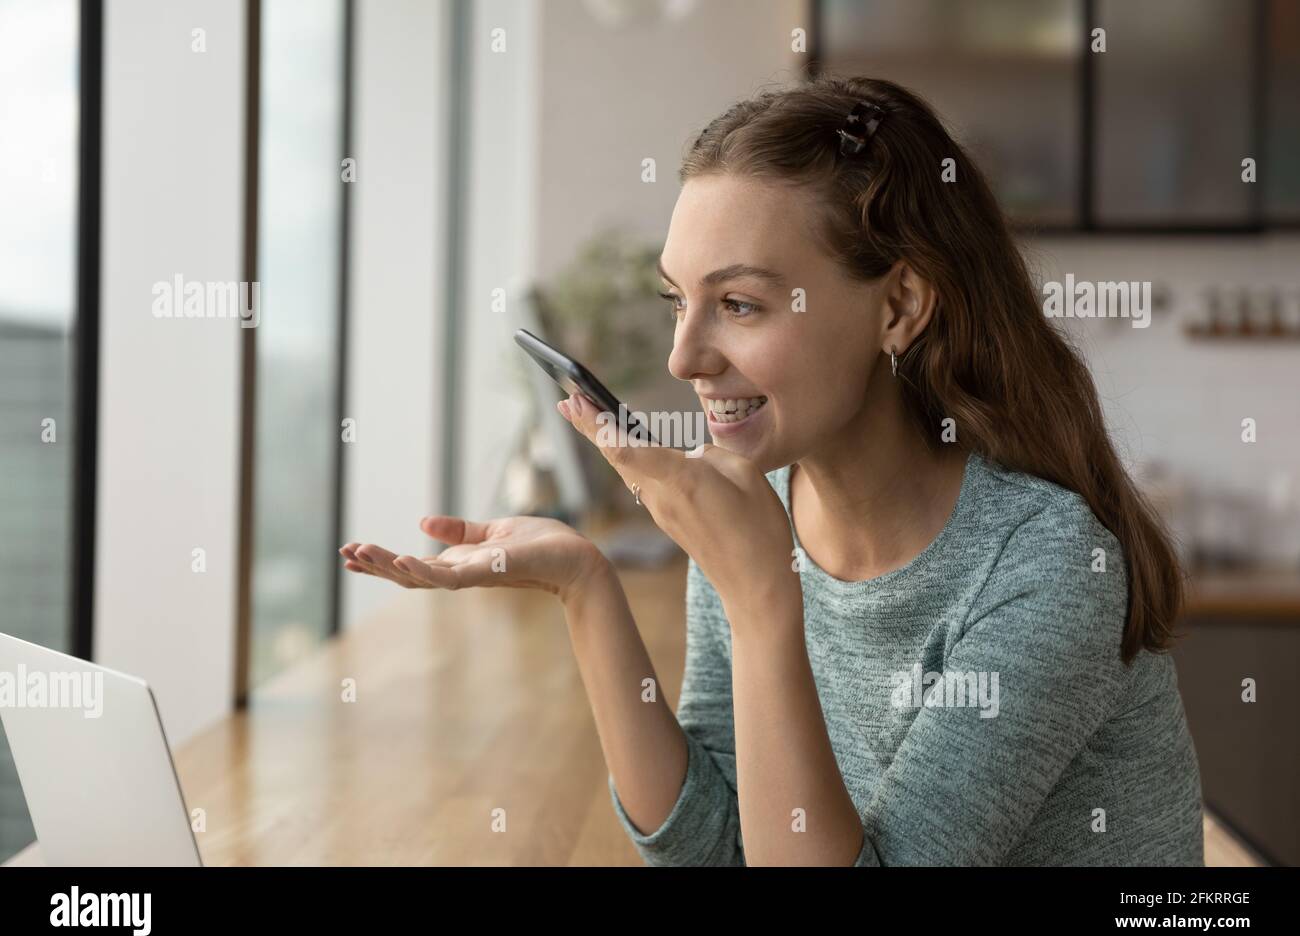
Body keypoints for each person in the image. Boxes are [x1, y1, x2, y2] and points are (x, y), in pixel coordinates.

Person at [340, 76, 1204, 866]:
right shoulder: (762, 508)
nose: (683, 358)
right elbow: (715, 851)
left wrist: (761, 601)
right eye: (678, 300)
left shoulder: (1046, 568)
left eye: (740, 305)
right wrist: (584, 588)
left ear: (898, 306)